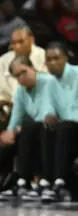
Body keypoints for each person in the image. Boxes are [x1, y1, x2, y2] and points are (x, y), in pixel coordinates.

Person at [0, 57, 61, 200]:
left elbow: (48, 111)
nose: (21, 78)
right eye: (17, 76)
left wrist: (18, 129)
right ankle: (21, 182)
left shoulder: (48, 82)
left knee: (28, 126)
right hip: (35, 128)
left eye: (23, 72)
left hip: (56, 126)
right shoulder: (21, 90)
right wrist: (10, 131)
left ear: (33, 68)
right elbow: (17, 113)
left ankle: (42, 181)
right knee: (14, 137)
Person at [44, 42, 78, 201]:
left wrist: (68, 120)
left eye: (56, 58)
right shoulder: (49, 82)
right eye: (48, 59)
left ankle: (60, 180)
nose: (52, 63)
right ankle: (46, 181)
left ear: (66, 58)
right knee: (43, 127)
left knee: (65, 126)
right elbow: (48, 106)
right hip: (66, 129)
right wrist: (49, 114)